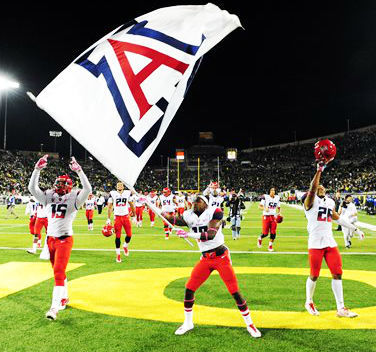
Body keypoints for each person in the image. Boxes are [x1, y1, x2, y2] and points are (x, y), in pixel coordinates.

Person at [163, 194, 261, 338]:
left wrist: (188, 234)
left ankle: (250, 324)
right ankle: (188, 323)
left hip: (221, 257)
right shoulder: (188, 214)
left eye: (199, 200)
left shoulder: (215, 212)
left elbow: (210, 234)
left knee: (234, 291)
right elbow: (172, 219)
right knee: (189, 288)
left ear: (206, 203)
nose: (196, 202)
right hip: (205, 259)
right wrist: (154, 208)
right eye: (194, 201)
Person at [28, 154, 92, 320]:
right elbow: (32, 189)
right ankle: (64, 297)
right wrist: (37, 170)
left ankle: (54, 307)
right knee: (59, 272)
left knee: (58, 271)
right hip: (50, 240)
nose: (58, 185)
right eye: (58, 183)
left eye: (62, 183)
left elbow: (88, 189)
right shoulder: (49, 197)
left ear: (69, 186)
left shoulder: (74, 199)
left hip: (64, 240)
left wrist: (79, 171)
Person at [303, 161, 364, 318]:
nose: (321, 187)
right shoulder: (309, 202)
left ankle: (341, 308)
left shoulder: (329, 202)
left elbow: (338, 219)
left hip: (330, 243)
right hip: (315, 243)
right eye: (318, 187)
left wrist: (355, 229)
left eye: (322, 186)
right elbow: (312, 188)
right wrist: (319, 171)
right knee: (314, 275)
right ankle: (309, 301)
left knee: (337, 273)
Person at [107, 182, 135, 262]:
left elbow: (131, 204)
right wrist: (108, 218)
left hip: (126, 216)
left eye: (121, 185)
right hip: (117, 217)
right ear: (116, 186)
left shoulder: (127, 193)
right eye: (118, 185)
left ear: (123, 187)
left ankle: (125, 246)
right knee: (118, 237)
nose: (119, 186)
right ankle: (118, 255)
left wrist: (134, 216)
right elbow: (109, 207)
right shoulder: (112, 193)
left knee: (129, 235)